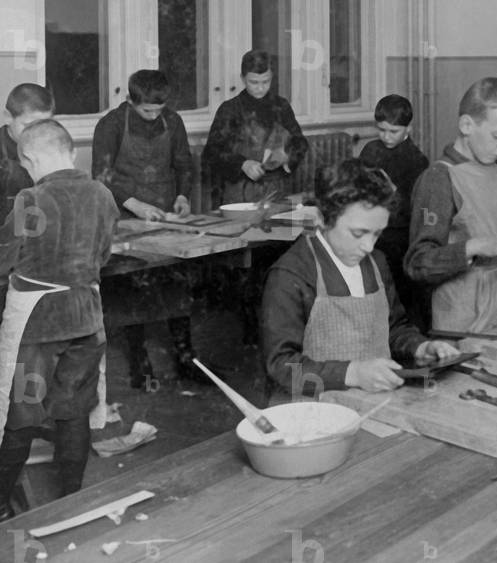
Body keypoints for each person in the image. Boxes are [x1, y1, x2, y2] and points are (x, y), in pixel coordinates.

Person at [0, 120, 119, 520]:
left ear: (32, 158)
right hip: (86, 317)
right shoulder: (103, 194)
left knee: (20, 412)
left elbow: (3, 260)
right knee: (73, 409)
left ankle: (0, 507)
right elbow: (103, 255)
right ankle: (72, 500)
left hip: (38, 323)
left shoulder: (30, 198)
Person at [263, 159, 458, 400]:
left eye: (377, 233)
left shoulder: (377, 263)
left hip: (373, 404)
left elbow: (394, 327)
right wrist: (353, 373)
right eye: (358, 233)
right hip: (312, 412)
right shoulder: (291, 274)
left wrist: (420, 346)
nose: (368, 246)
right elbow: (281, 366)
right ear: (323, 219)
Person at [405, 78, 497, 333]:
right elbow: (418, 263)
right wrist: (476, 246)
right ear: (466, 125)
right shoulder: (439, 179)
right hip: (466, 326)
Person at [92, 70, 203, 387]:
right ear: (129, 101)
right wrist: (135, 205)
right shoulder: (111, 124)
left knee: (176, 286)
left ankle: (186, 359)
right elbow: (100, 177)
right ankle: (139, 364)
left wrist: (182, 195)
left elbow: (183, 164)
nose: (154, 116)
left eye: (159, 110)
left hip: (165, 214)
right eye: (146, 111)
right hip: (126, 218)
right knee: (133, 290)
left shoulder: (173, 120)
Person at [358, 95, 430, 332]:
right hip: (369, 230)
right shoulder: (370, 151)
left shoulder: (416, 160)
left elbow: (411, 211)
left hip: (398, 237)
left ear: (409, 128)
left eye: (394, 131)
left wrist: (393, 193)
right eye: (382, 130)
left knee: (399, 294)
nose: (386, 137)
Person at [202, 49, 309, 205]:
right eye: (254, 82)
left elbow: (300, 142)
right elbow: (212, 152)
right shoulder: (229, 109)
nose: (260, 88)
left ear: (272, 77)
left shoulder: (281, 106)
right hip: (239, 191)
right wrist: (242, 164)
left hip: (276, 189)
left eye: (266, 82)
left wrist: (287, 157)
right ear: (243, 79)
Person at [0, 84, 54, 223]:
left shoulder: (53, 147)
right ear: (7, 117)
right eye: (29, 125)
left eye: (44, 125)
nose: (36, 133)